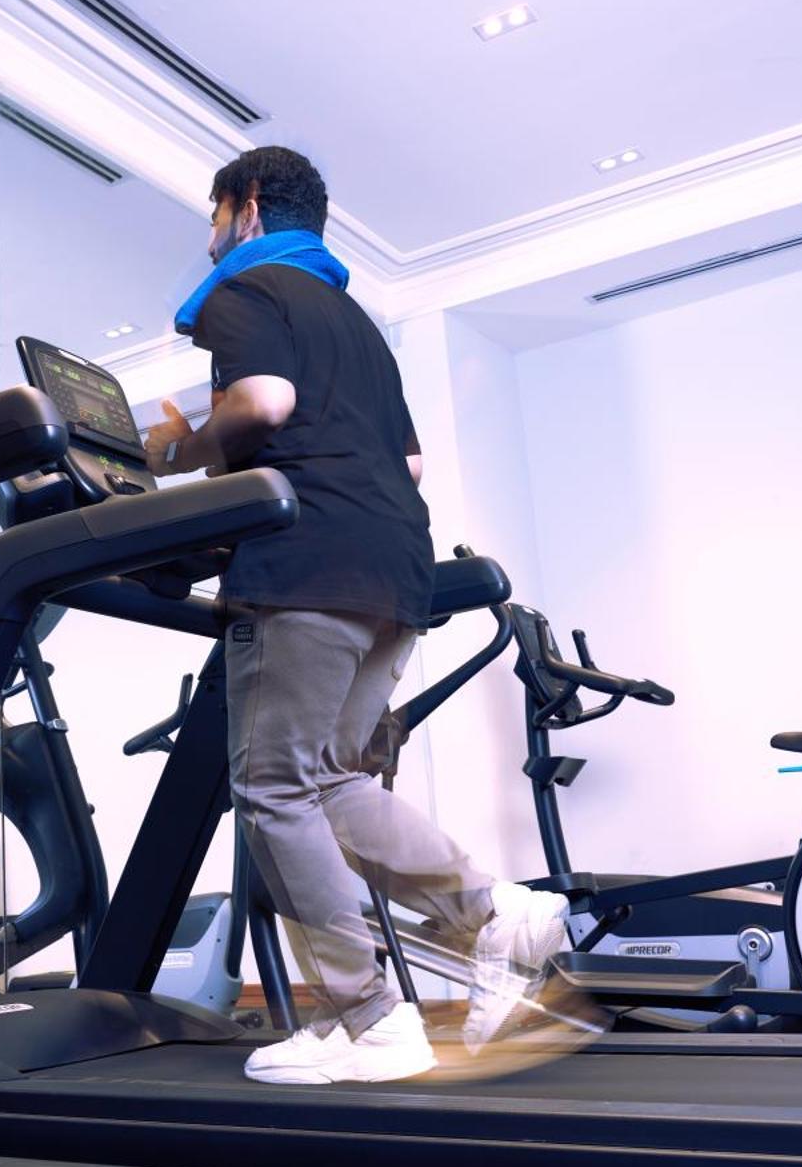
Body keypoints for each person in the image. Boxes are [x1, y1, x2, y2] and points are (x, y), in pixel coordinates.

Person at [143, 147, 569, 1084]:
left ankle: (370, 1017)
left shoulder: (244, 290)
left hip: (305, 571)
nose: (210, 236)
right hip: (396, 574)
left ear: (246, 207)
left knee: (270, 788)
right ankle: (496, 914)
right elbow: (408, 466)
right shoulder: (357, 324)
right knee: (330, 778)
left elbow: (263, 401)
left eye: (213, 217)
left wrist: (175, 450)